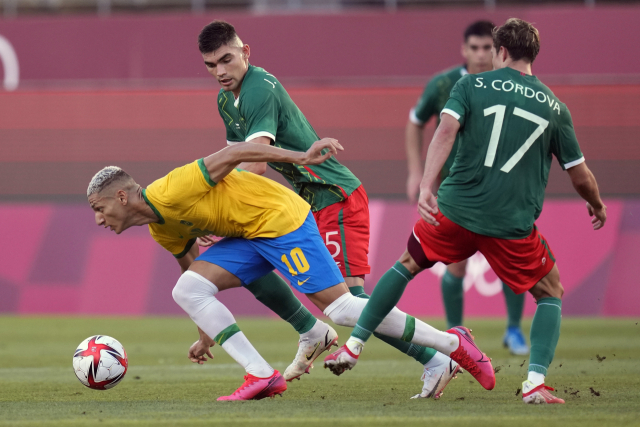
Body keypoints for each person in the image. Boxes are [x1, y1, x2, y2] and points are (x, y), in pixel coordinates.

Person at [325, 18, 607, 405]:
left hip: (455, 210)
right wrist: (595, 203)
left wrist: (426, 185)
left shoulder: (470, 85)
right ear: (533, 55)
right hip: (510, 224)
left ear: (500, 51)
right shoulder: (555, 108)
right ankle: (535, 384)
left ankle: (354, 345)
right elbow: (579, 174)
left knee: (406, 264)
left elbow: (444, 132)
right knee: (549, 290)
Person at [86, 139, 494, 401]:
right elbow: (194, 276)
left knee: (344, 310)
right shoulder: (161, 230)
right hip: (249, 236)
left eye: (100, 209)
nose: (99, 219)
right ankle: (262, 373)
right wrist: (205, 336)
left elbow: (236, 153)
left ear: (121, 196)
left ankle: (452, 345)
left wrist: (300, 158)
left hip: (280, 221)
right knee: (185, 289)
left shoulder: (171, 188)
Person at [199, 19, 459, 398]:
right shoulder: (226, 100)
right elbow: (233, 161)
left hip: (335, 197)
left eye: (226, 59)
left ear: (245, 52)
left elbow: (252, 165)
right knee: (268, 271)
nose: (220, 72)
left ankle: (438, 357)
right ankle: (311, 332)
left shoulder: (260, 89)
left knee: (350, 302)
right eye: (210, 65)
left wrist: (216, 209)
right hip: (305, 205)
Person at [406, 20, 528, 356]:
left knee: (510, 261)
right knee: (455, 264)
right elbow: (416, 122)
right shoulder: (445, 83)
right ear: (464, 50)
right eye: (473, 48)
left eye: (487, 48)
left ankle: (515, 330)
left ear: (498, 50)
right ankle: (457, 336)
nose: (480, 54)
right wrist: (417, 172)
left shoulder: (513, 85)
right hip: (455, 188)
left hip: (501, 188)